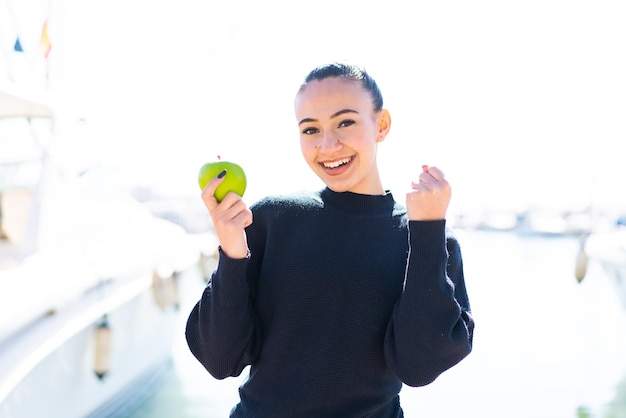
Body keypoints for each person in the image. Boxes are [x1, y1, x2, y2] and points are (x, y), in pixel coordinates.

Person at [186, 62, 474, 417]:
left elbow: (418, 365)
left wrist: (428, 231)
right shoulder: (273, 219)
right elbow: (220, 359)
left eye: (345, 122)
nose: (327, 145)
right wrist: (231, 252)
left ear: (381, 125)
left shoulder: (426, 236)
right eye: (310, 129)